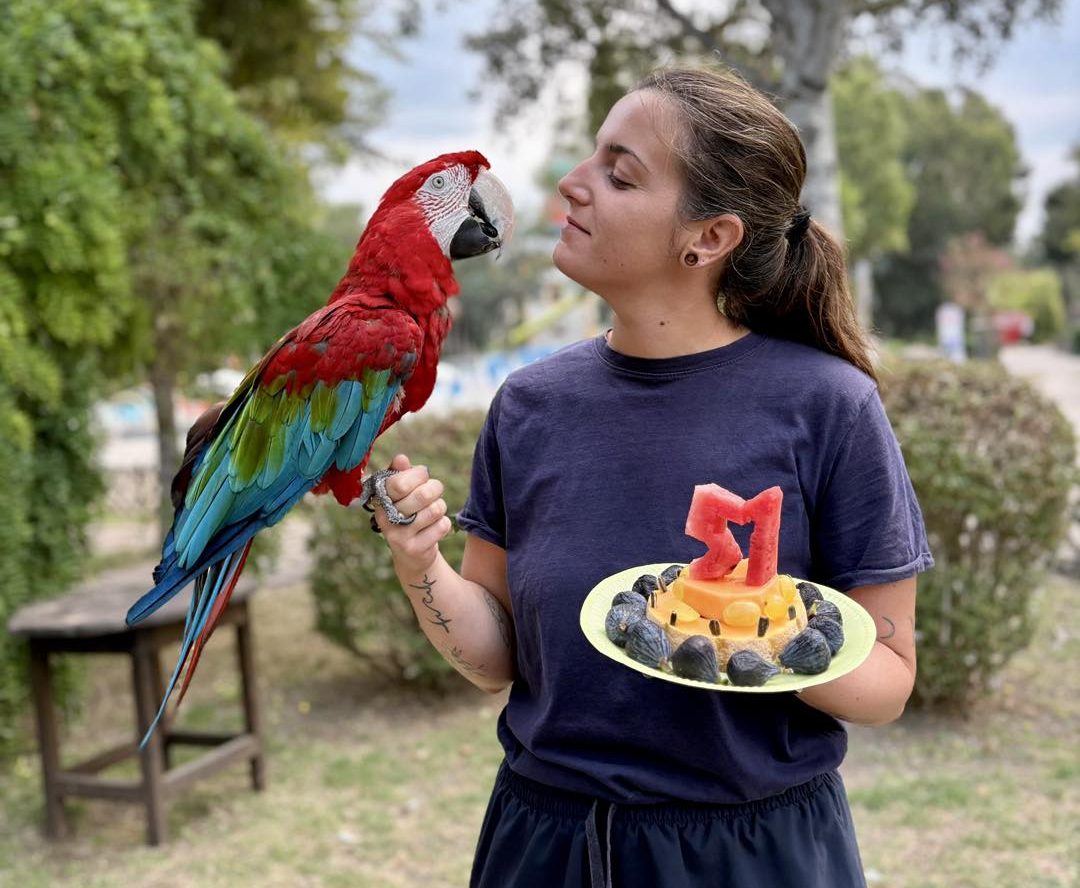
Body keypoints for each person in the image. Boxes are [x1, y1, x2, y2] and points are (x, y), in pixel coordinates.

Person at [370, 65, 933, 888]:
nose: (573, 183)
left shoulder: (829, 407)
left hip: (750, 855)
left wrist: (760, 631)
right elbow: (498, 659)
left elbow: (888, 681)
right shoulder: (529, 406)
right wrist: (419, 564)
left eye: (619, 172)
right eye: (590, 157)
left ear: (708, 238)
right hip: (542, 844)